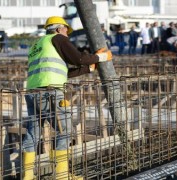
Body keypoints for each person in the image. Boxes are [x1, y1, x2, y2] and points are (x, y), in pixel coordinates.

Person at [22, 16, 112, 180]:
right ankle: (62, 176)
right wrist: (101, 57)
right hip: (50, 92)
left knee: (33, 132)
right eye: (65, 30)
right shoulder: (58, 39)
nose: (67, 35)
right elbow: (77, 59)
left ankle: (27, 176)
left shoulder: (37, 45)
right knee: (65, 131)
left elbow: (62, 71)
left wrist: (89, 69)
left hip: (32, 92)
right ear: (58, 29)